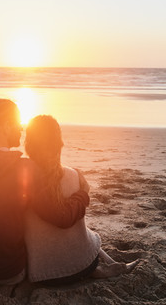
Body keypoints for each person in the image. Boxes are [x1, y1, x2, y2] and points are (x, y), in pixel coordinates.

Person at [0, 99, 90, 286]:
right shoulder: (23, 168)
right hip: (6, 272)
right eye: (18, 124)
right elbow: (61, 217)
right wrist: (82, 195)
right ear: (6, 125)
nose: (21, 129)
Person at [24, 115, 139, 285]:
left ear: (28, 144)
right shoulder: (74, 176)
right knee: (86, 231)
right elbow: (63, 218)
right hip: (83, 267)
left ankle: (109, 265)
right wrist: (83, 193)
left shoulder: (21, 176)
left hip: (41, 275)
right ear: (59, 144)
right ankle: (110, 265)